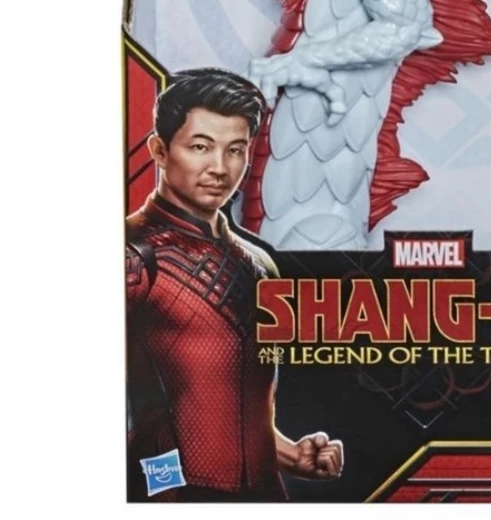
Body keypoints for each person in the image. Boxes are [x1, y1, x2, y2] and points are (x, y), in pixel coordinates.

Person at [126, 67, 343, 501]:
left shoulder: (259, 264)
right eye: (200, 147)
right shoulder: (133, 255)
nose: (219, 168)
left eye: (235, 150)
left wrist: (291, 455)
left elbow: (240, 406)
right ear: (160, 150)